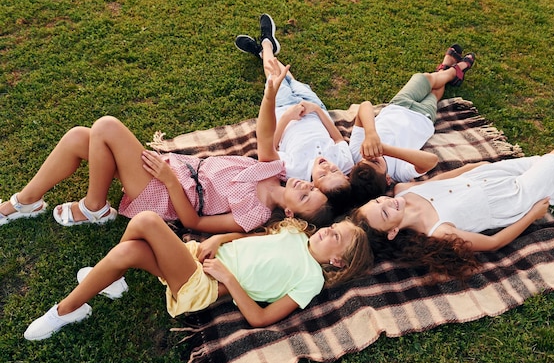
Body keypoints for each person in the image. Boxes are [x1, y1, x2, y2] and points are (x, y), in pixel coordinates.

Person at [0, 56, 334, 233]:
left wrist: (170, 180)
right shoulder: (274, 170)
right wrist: (270, 93)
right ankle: (26, 201)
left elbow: (195, 224)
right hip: (171, 168)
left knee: (107, 127)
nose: (305, 184)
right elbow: (265, 133)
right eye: (311, 187)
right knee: (78, 137)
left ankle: (94, 208)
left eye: (305, 195)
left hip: (166, 191)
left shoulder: (255, 214)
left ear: (290, 213)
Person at [23, 210, 373, 340]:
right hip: (199, 258)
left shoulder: (311, 278)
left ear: (338, 263)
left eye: (336, 237)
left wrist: (229, 278)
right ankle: (106, 283)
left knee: (146, 221)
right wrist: (220, 237)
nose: (328, 231)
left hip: (205, 283)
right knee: (126, 252)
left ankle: (63, 312)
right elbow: (249, 241)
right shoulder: (295, 234)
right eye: (333, 226)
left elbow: (262, 318)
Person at [353, 115, 554, 255]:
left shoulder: (404, 191)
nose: (386, 201)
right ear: (393, 232)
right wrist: (532, 215)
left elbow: (441, 179)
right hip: (514, 198)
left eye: (378, 201)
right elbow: (493, 243)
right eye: (386, 212)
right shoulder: (438, 233)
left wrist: (474, 167)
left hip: (491, 175)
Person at [235, 14, 354, 209]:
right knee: (290, 79)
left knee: (274, 76)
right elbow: (338, 138)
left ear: (314, 186)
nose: (328, 167)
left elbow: (271, 145)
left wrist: (288, 117)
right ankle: (265, 50)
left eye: (323, 175)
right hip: (313, 107)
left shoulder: (294, 171)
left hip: (283, 111)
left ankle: (266, 44)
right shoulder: (345, 161)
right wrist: (316, 110)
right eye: (336, 172)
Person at [349, 44, 476, 206]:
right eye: (375, 162)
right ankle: (451, 70)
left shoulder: (356, 152)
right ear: (388, 180)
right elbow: (431, 160)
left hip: (398, 105)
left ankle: (452, 71)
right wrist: (384, 149)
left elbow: (365, 106)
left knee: (423, 78)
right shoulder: (399, 172)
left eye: (365, 160)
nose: (371, 156)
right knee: (434, 93)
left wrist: (371, 133)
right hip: (422, 117)